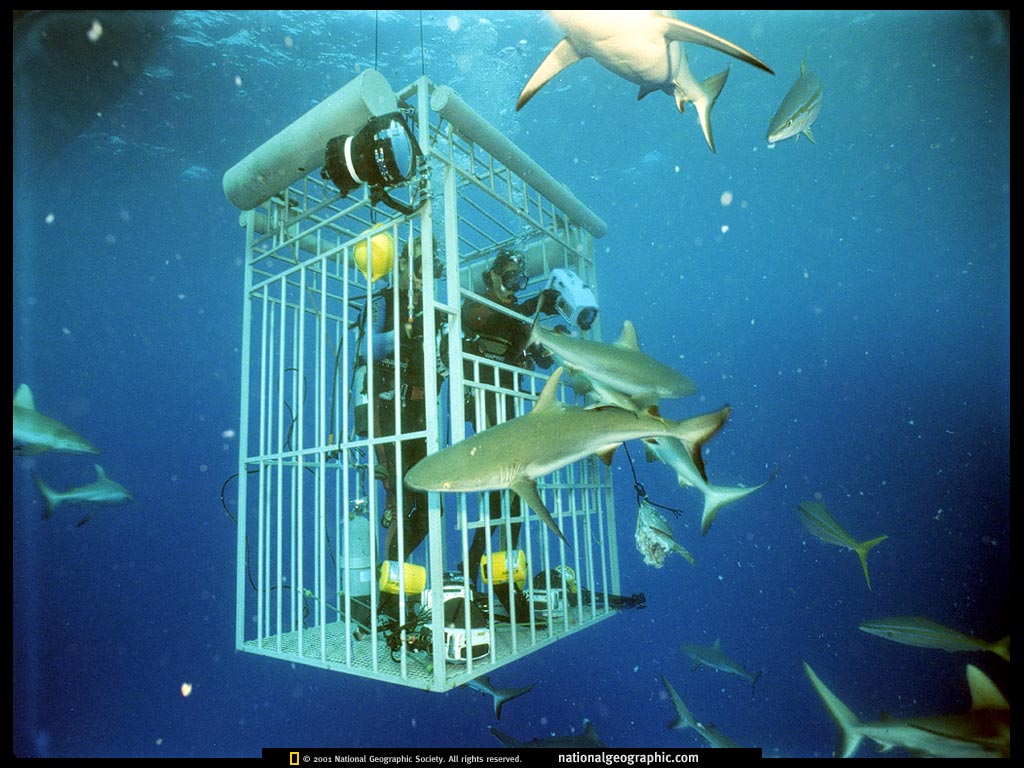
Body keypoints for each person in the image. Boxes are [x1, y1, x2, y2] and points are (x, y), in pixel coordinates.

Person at [460, 248, 559, 588]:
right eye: (510, 277)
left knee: (518, 488)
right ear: (493, 276)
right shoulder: (477, 303)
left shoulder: (516, 313)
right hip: (485, 403)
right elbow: (482, 321)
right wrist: (531, 306)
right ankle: (472, 566)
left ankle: (505, 572)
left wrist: (554, 341)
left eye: (521, 279)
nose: (515, 285)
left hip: (511, 405)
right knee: (499, 484)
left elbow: (540, 357)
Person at [357, 238, 440, 575]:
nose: (424, 275)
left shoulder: (433, 309)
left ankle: (389, 578)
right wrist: (402, 334)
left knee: (432, 508)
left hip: (419, 415)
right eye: (419, 265)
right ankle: (390, 593)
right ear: (403, 263)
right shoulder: (383, 300)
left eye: (431, 268)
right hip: (384, 407)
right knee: (400, 501)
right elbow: (366, 348)